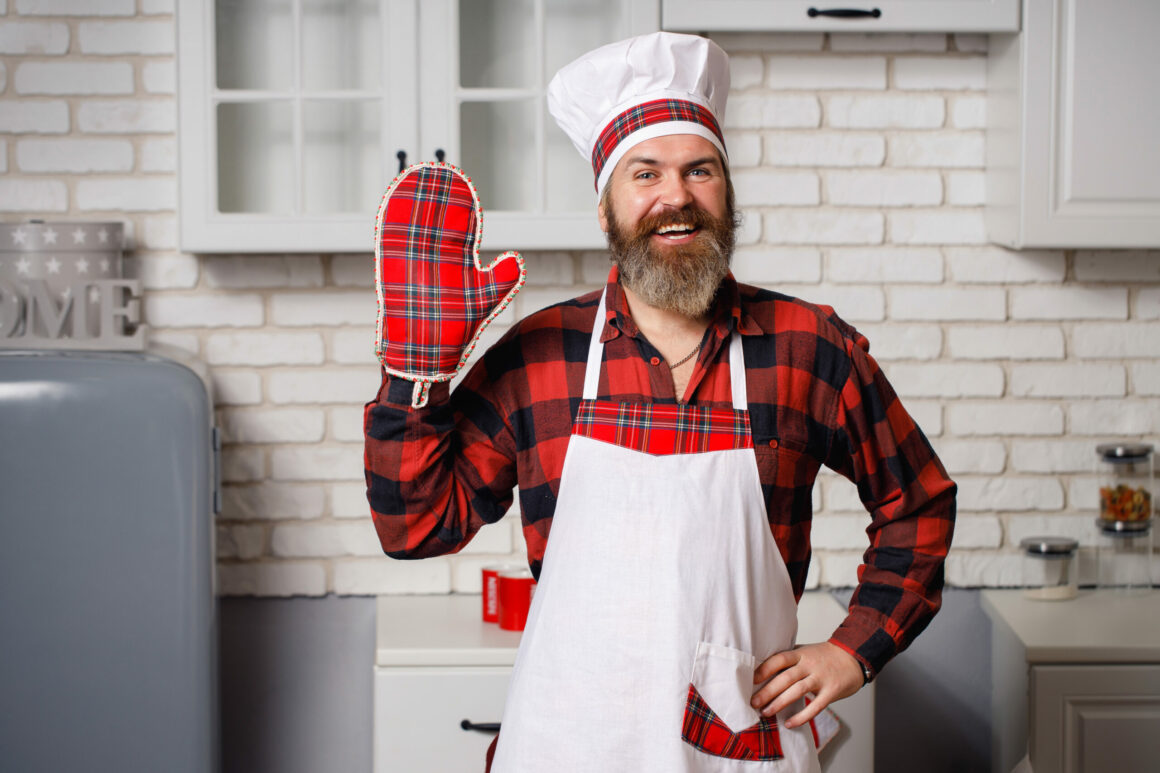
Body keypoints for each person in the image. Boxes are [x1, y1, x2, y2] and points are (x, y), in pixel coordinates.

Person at [364, 31, 956, 773]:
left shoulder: (808, 347)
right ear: (607, 208)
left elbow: (919, 502)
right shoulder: (541, 355)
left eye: (698, 169)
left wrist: (852, 649)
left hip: (732, 750)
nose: (675, 195)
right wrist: (415, 374)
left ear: (726, 191)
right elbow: (415, 527)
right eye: (644, 173)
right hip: (565, 747)